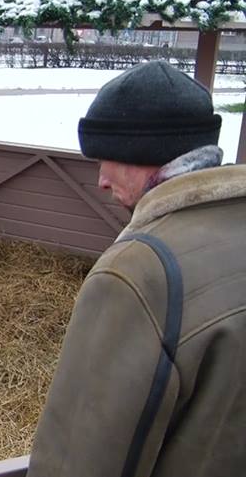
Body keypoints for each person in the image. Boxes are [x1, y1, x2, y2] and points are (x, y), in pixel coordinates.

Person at [27, 60, 246, 477]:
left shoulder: (137, 272)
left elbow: (82, 458)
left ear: (140, 151)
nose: (101, 181)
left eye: (104, 158)